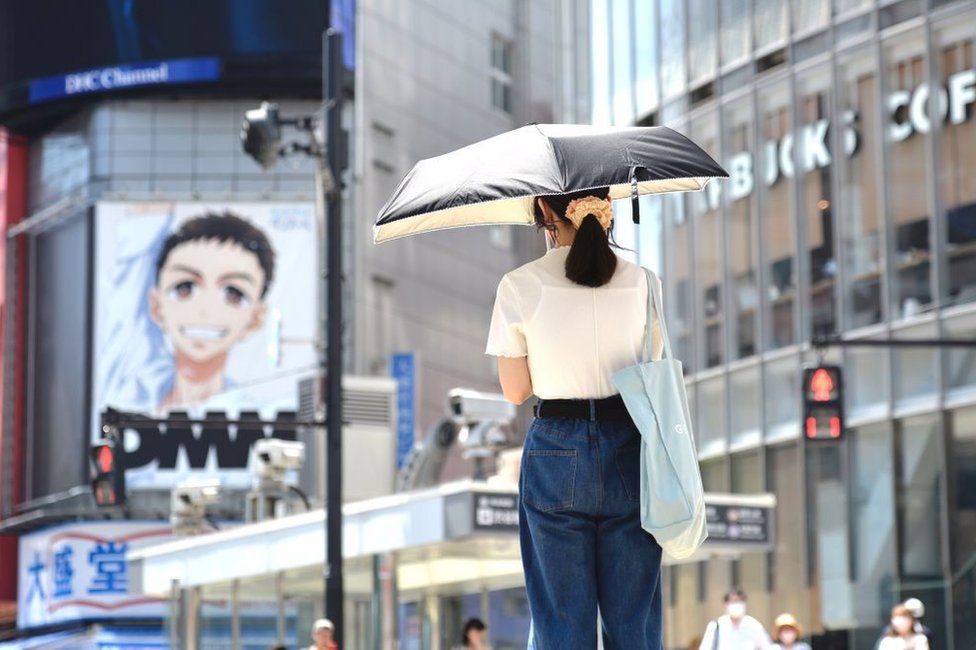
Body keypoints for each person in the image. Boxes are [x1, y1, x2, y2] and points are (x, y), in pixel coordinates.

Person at [485, 187, 666, 648]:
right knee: (634, 619)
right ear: (608, 206)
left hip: (555, 447)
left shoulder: (519, 284)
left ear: (545, 210)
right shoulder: (643, 281)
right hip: (629, 440)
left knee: (561, 620)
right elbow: (653, 367)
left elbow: (516, 390)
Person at [149, 211, 275, 411]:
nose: (204, 310)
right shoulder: (130, 390)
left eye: (233, 294)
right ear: (156, 306)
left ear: (256, 318)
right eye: (184, 288)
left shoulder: (256, 410)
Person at [697, 588, 772, 650]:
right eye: (734, 601)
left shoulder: (754, 626)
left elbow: (767, 646)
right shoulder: (716, 626)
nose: (737, 604)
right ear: (725, 605)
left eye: (740, 601)